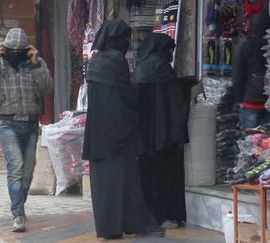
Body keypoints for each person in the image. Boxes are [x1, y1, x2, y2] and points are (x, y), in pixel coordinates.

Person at [82, 20, 160, 240]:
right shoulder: (116, 60)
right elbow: (125, 96)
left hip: (98, 134)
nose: (127, 43)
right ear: (115, 40)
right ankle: (133, 223)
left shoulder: (96, 61)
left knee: (106, 187)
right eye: (124, 39)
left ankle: (109, 228)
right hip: (117, 133)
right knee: (126, 182)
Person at [0, 28, 53, 232]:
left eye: (19, 50)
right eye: (11, 50)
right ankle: (18, 214)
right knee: (17, 167)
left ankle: (19, 204)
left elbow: (47, 87)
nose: (15, 53)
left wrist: (36, 62)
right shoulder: (0, 64)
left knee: (28, 172)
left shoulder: (36, 63)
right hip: (7, 123)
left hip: (30, 123)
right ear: (4, 49)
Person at [133, 33, 196, 229]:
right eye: (169, 50)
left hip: (147, 135)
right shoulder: (162, 68)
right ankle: (167, 215)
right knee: (167, 176)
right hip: (166, 135)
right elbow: (175, 97)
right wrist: (190, 83)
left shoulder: (142, 68)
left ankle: (151, 216)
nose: (170, 54)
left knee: (149, 175)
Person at [233, 9, 270, 129]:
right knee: (269, 141)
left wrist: (238, 98)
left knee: (249, 141)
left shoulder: (247, 46)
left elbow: (239, 74)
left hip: (251, 99)